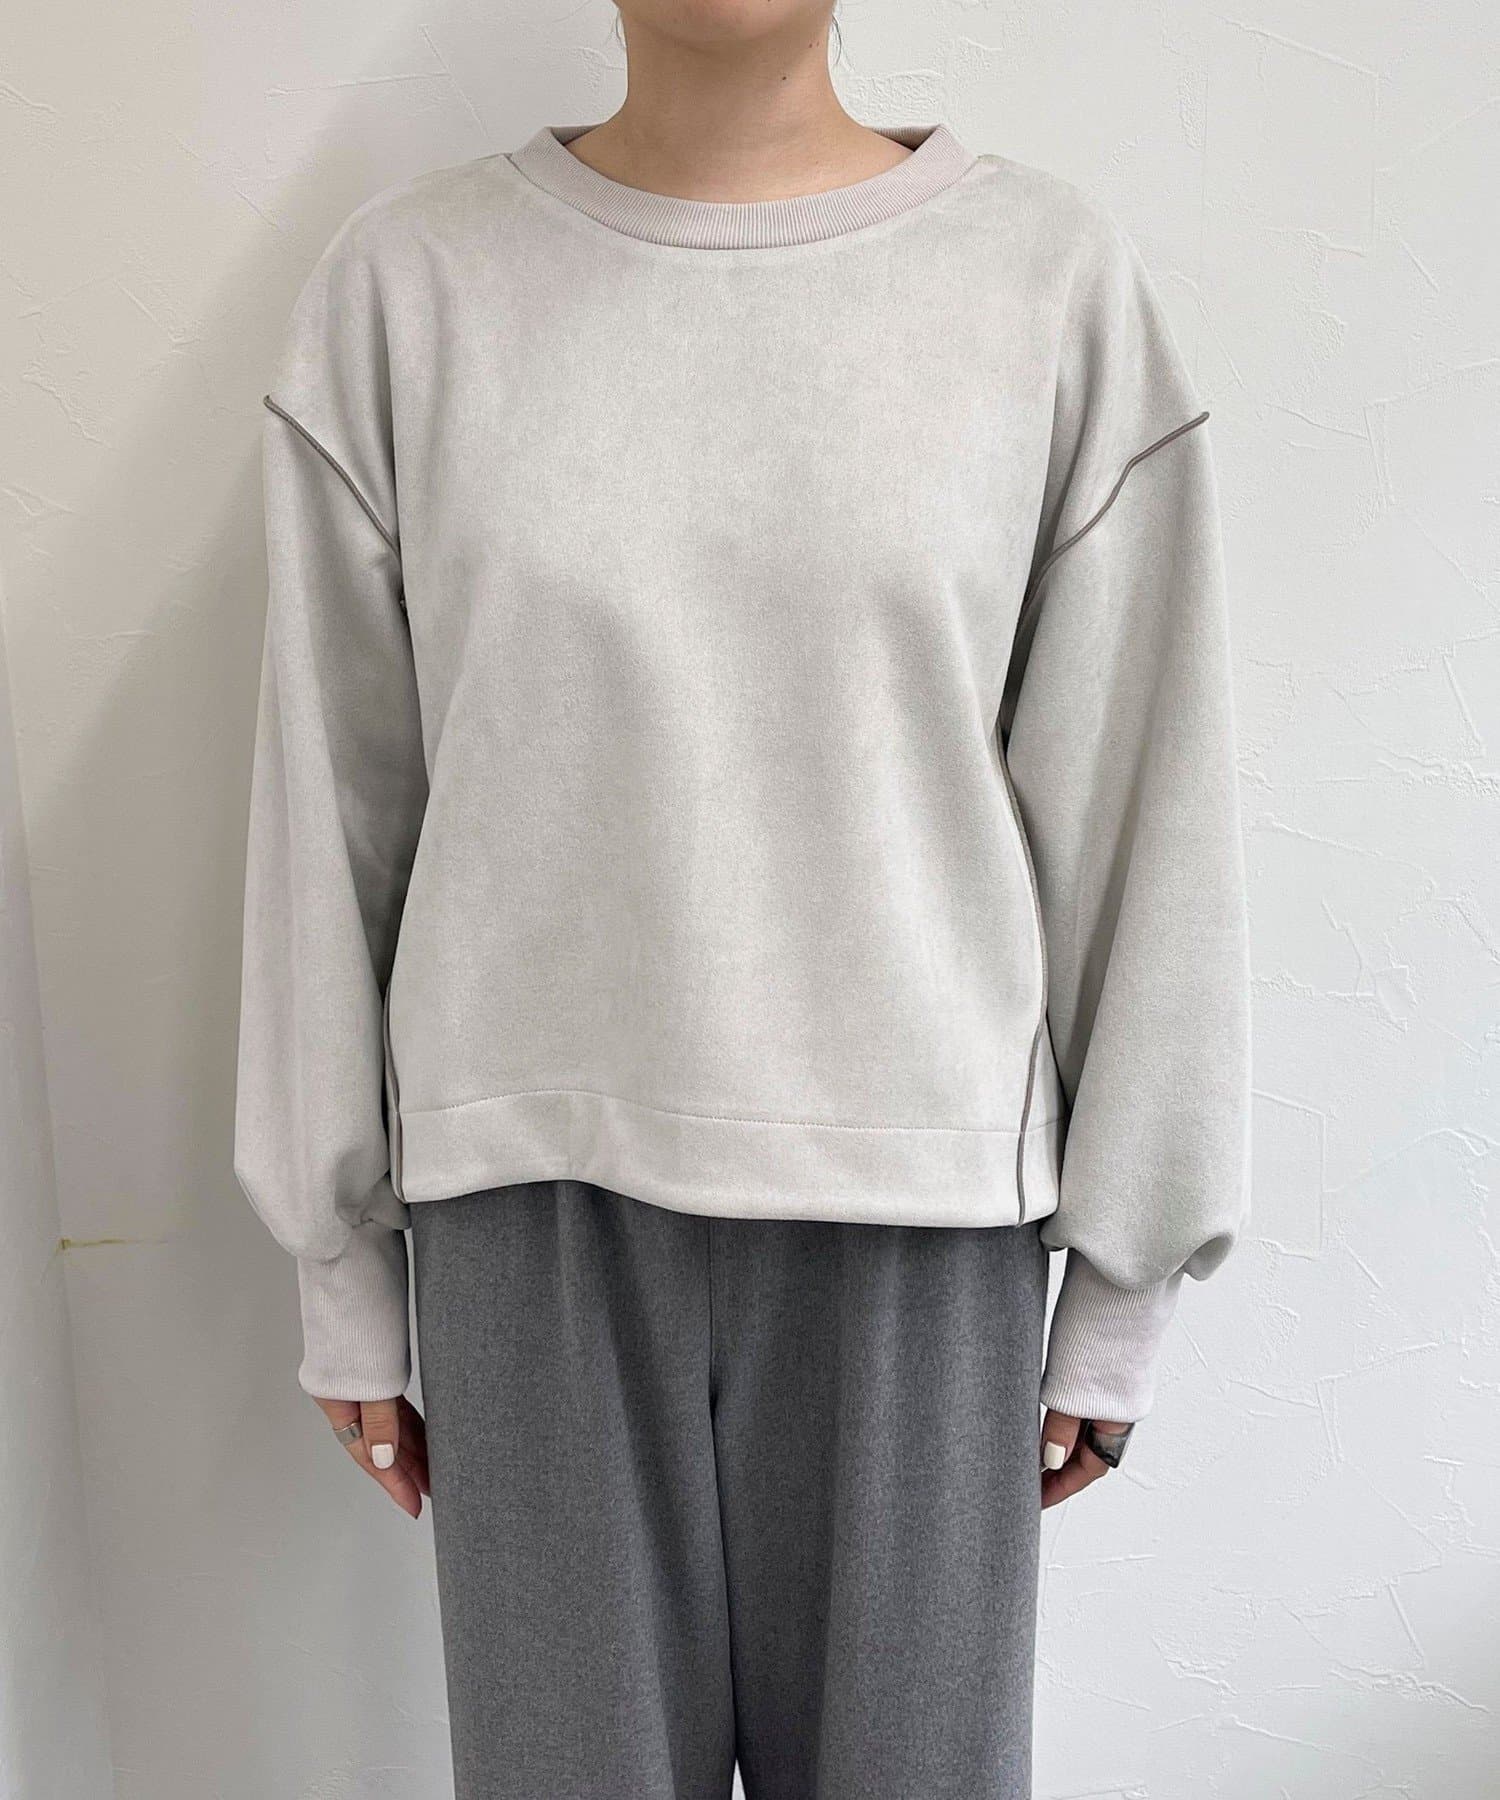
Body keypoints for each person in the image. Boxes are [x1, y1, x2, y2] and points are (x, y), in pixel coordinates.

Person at [232, 3, 1252, 1794]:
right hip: (530, 1217)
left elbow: (1138, 797)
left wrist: (1126, 1275)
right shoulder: (411, 293)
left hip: (918, 1221)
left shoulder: (1044, 286)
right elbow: (333, 793)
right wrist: (340, 1260)